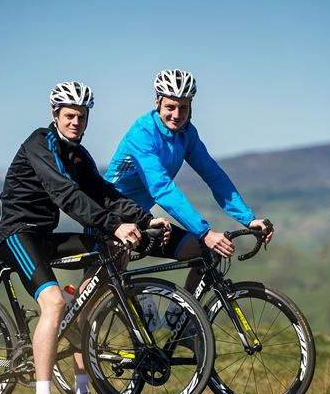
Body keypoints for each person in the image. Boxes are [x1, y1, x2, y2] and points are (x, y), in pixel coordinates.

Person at [0, 81, 170, 394]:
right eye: (70, 116)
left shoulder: (78, 154)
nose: (76, 122)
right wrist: (114, 224)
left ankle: (82, 389)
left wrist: (143, 218)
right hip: (16, 234)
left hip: (44, 236)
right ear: (55, 115)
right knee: (54, 302)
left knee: (108, 253)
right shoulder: (40, 143)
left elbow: (103, 192)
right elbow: (66, 194)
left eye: (82, 116)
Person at [104, 69, 273, 291]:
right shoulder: (142, 134)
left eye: (183, 108)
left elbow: (214, 175)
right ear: (157, 102)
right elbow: (161, 188)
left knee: (204, 252)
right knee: (109, 279)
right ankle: (76, 314)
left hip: (141, 218)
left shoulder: (187, 133)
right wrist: (205, 232)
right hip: (109, 215)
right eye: (170, 107)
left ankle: (183, 313)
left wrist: (248, 219)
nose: (177, 114)